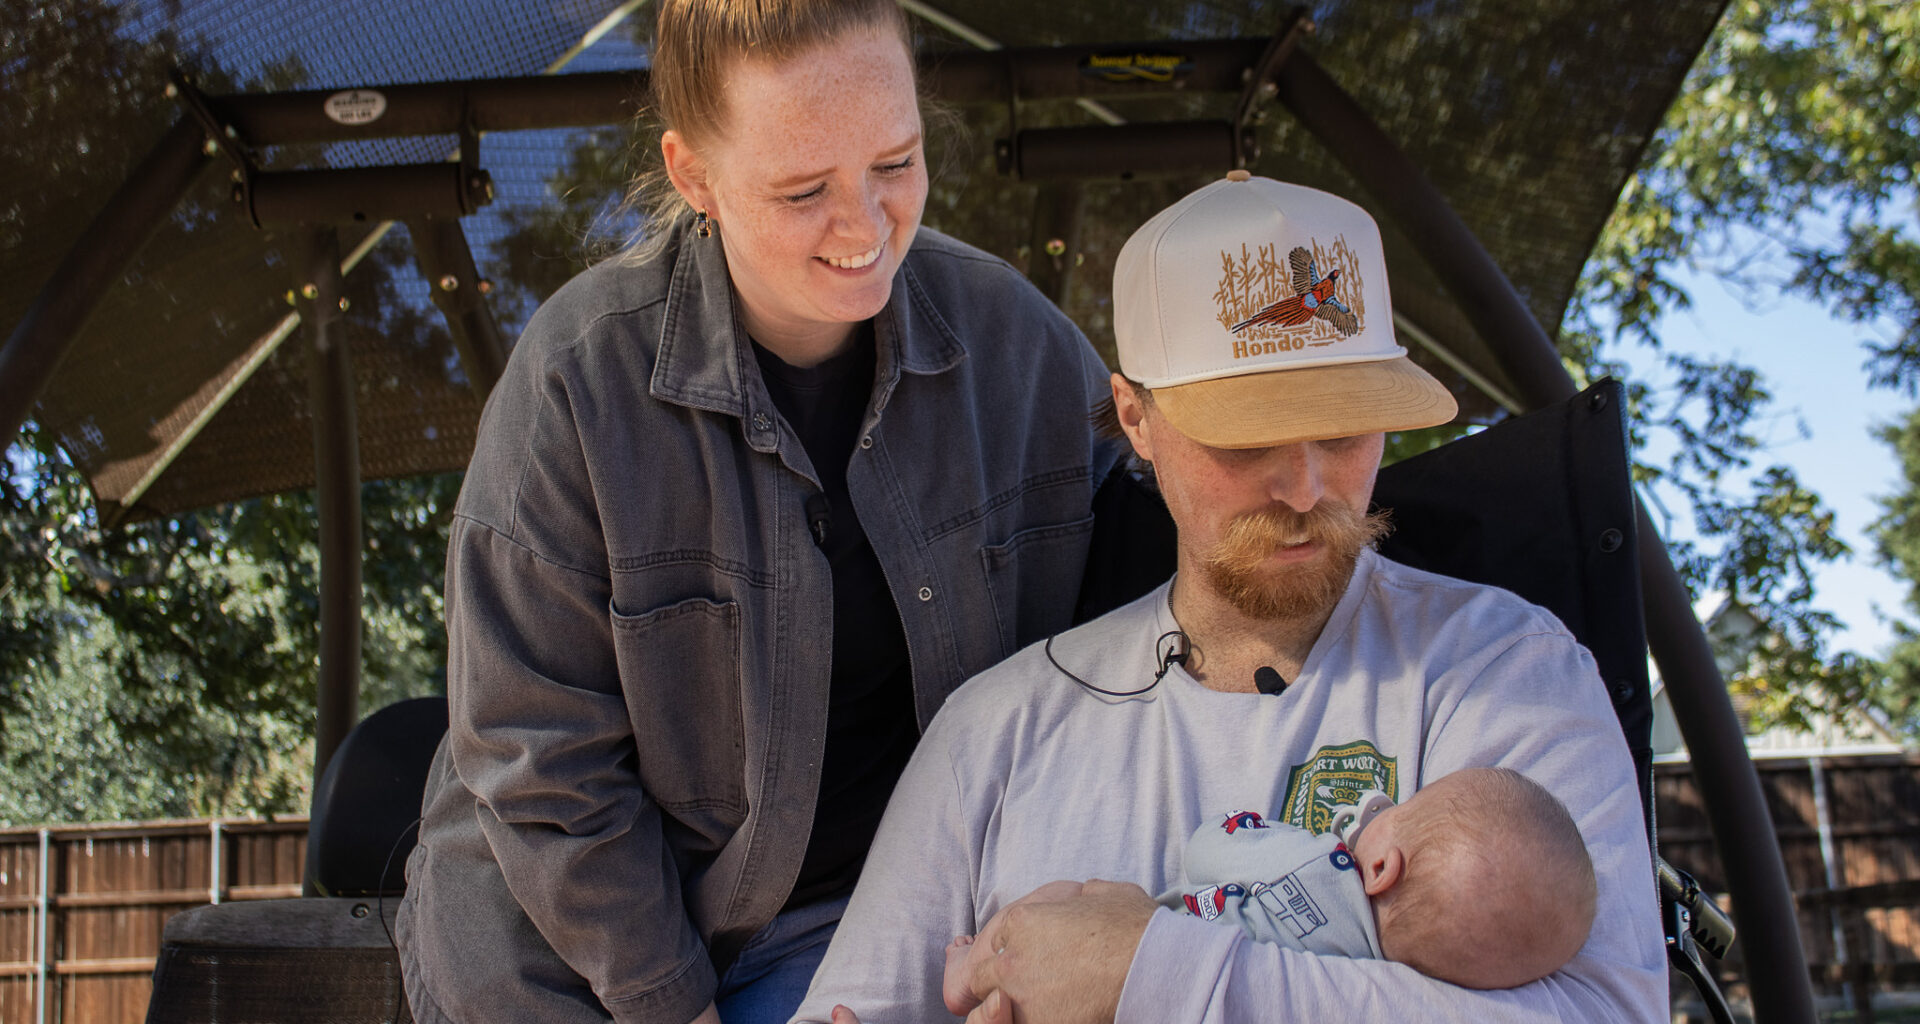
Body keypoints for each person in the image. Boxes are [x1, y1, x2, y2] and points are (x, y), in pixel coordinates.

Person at [393, 2, 1124, 1022]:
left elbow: (1170, 609)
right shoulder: (576, 384)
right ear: (695, 174)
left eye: (895, 163)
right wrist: (673, 1002)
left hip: (860, 919)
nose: (866, 226)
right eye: (804, 189)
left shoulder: (1022, 350)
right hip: (566, 946)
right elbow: (539, 758)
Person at [792, 172, 1667, 1024]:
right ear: (1135, 418)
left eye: (1343, 430)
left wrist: (1147, 974)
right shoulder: (996, 733)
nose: (1303, 485)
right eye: (1244, 440)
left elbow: (1604, 1010)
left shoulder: (1503, 668)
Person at [939, 765, 1599, 1009]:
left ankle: (965, 971)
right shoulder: (1371, 983)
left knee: (1082, 891)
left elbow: (1207, 851)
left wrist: (1245, 828)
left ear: (1382, 867)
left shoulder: (1319, 863)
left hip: (1096, 958)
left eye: (1398, 810)